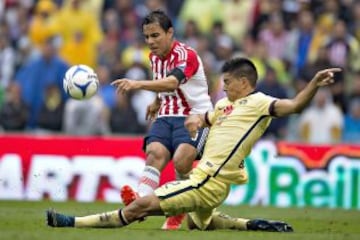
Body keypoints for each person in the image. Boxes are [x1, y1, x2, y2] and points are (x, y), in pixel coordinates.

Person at [46, 57, 341, 232]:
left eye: (227, 81)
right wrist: (197, 120)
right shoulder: (225, 104)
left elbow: (294, 106)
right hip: (208, 181)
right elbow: (208, 118)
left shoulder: (260, 103)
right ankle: (251, 225)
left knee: (139, 207)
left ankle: (70, 222)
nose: (223, 86)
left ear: (243, 81)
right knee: (199, 225)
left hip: (207, 182)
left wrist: (314, 83)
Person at [111, 10, 213, 229]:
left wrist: (138, 84)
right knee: (154, 153)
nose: (150, 41)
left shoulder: (187, 55)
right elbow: (163, 83)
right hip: (166, 114)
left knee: (181, 161)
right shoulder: (154, 57)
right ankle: (140, 202)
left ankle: (179, 208)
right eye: (147, 37)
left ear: (170, 32)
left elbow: (172, 82)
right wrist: (157, 102)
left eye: (155, 35)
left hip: (195, 116)